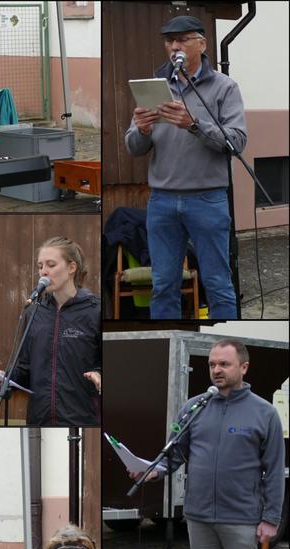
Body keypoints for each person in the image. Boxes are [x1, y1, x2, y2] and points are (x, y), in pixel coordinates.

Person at [129, 339, 284, 549]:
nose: (216, 370)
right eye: (212, 364)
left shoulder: (264, 413)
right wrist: (152, 470)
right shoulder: (193, 408)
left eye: (224, 364)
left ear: (244, 367)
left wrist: (271, 518)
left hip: (240, 517)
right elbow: (175, 454)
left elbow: (275, 470)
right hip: (198, 516)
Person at [124, 15, 246, 320]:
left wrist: (193, 124)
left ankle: (226, 340)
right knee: (163, 284)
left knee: (217, 283)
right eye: (169, 41)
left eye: (182, 39)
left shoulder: (224, 88)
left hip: (207, 199)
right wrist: (141, 130)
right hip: (162, 200)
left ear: (202, 44)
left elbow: (237, 141)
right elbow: (133, 147)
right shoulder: (154, 87)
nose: (174, 46)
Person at [0, 236, 101, 426]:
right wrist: (5, 377)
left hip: (83, 418)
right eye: (40, 266)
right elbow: (25, 367)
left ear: (71, 268)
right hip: (39, 419)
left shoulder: (94, 311)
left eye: (51, 265)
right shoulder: (34, 312)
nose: (43, 272)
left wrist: (99, 374)